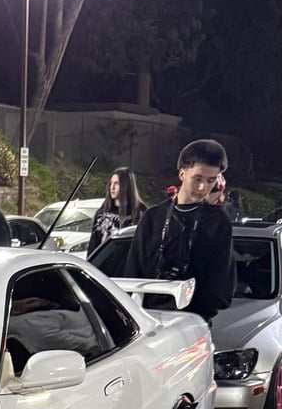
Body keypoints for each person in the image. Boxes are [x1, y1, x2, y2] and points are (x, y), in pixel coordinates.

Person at [129, 138, 235, 324]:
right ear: (182, 174)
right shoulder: (153, 217)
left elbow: (221, 285)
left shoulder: (218, 221)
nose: (203, 188)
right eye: (197, 178)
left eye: (211, 181)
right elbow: (132, 272)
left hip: (193, 322)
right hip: (146, 319)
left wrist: (198, 310)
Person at [87, 168, 145, 255]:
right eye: (111, 183)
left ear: (126, 185)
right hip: (104, 260)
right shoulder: (102, 213)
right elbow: (93, 246)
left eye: (116, 183)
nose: (112, 187)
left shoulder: (141, 213)